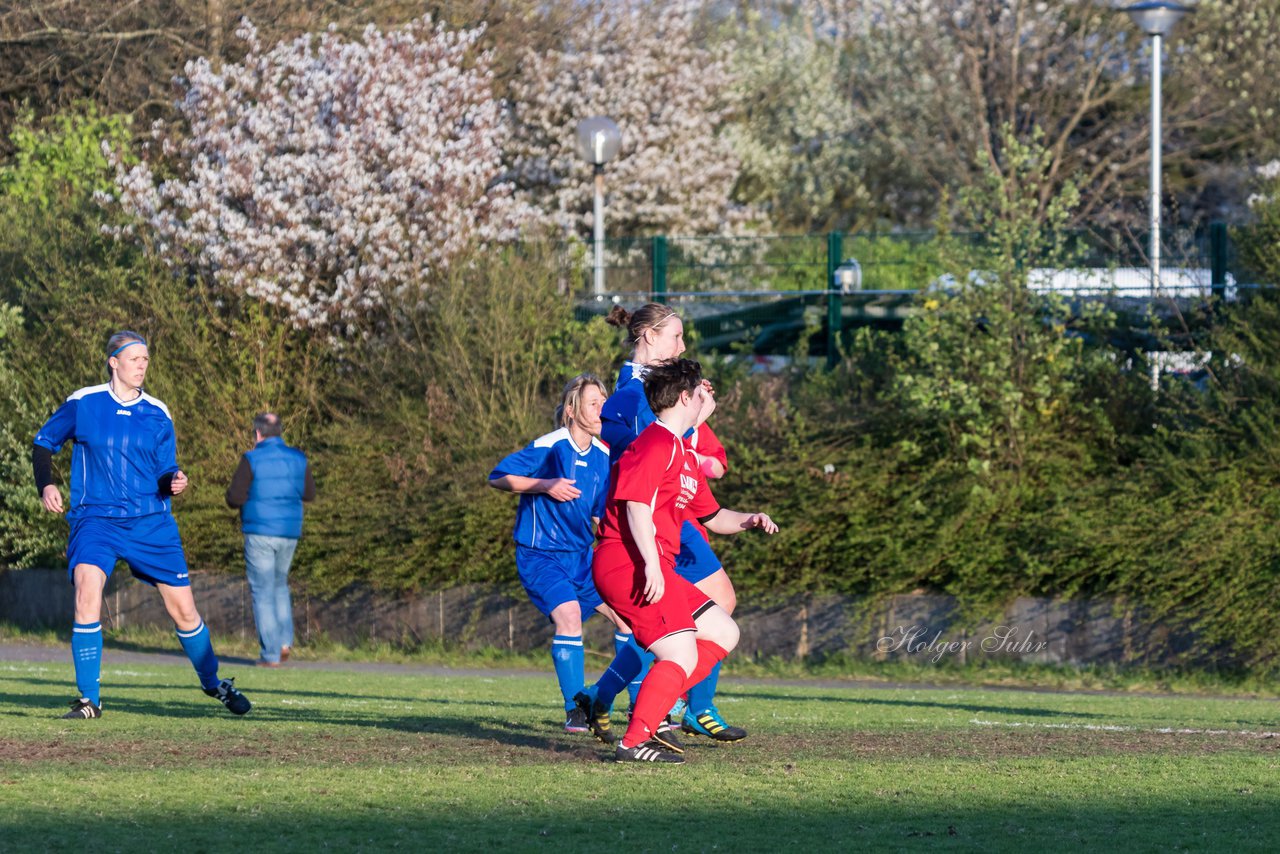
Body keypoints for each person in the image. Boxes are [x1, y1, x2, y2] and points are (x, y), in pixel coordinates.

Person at [32, 330, 251, 718]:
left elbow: (166, 469)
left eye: (146, 359)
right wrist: (46, 483)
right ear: (113, 362)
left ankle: (213, 683)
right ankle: (89, 700)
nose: (142, 365)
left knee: (184, 611)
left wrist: (174, 481)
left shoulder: (157, 412)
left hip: (151, 522)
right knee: (87, 592)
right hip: (96, 520)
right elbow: (44, 443)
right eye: (135, 359)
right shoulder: (84, 403)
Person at [585, 358, 777, 763]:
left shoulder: (683, 453)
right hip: (626, 562)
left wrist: (749, 519)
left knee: (724, 632)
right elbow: (636, 504)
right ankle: (635, 740)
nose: (708, 399)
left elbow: (712, 516)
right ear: (686, 397)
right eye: (701, 393)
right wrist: (652, 564)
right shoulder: (656, 441)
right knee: (682, 653)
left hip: (648, 562)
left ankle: (650, 714)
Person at [597, 302, 747, 742]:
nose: (683, 344)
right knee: (684, 623)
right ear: (648, 337)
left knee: (707, 617)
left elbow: (710, 464)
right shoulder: (631, 394)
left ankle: (620, 696)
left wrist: (697, 424)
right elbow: (647, 458)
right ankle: (669, 709)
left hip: (676, 515)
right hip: (654, 523)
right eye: (675, 336)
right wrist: (694, 420)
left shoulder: (671, 388)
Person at [488, 374, 635, 732]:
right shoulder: (551, 445)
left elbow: (600, 516)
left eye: (604, 401)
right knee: (568, 616)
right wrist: (545, 485)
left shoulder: (603, 456)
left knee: (629, 620)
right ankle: (576, 711)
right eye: (593, 403)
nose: (602, 409)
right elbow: (499, 476)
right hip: (541, 555)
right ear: (571, 409)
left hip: (583, 559)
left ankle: (627, 701)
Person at [225, 412, 316, 668]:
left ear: (257, 433)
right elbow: (309, 494)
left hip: (259, 532)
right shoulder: (299, 459)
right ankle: (285, 641)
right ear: (281, 432)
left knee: (262, 591)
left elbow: (235, 498)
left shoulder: (251, 459)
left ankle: (271, 654)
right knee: (279, 585)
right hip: (289, 532)